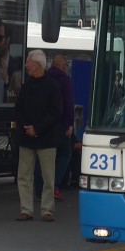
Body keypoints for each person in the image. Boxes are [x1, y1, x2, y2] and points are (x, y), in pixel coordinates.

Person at [14, 49, 61, 222]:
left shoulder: (52, 86)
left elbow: (56, 111)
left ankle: (47, 209)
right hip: (29, 136)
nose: (26, 65)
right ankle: (26, 209)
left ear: (38, 64)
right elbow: (18, 109)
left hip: (46, 137)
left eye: (28, 62)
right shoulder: (27, 86)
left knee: (48, 176)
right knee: (24, 175)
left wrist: (36, 128)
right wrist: (27, 126)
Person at [46, 54, 76, 200]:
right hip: (61, 124)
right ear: (63, 66)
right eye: (66, 65)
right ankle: (55, 186)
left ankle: (42, 188)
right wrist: (70, 123)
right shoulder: (64, 81)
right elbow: (69, 103)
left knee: (46, 157)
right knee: (65, 153)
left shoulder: (45, 78)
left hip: (45, 125)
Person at [0, 21, 23, 105]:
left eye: (0, 38)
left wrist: (7, 79)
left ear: (8, 40)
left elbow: (18, 93)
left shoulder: (16, 66)